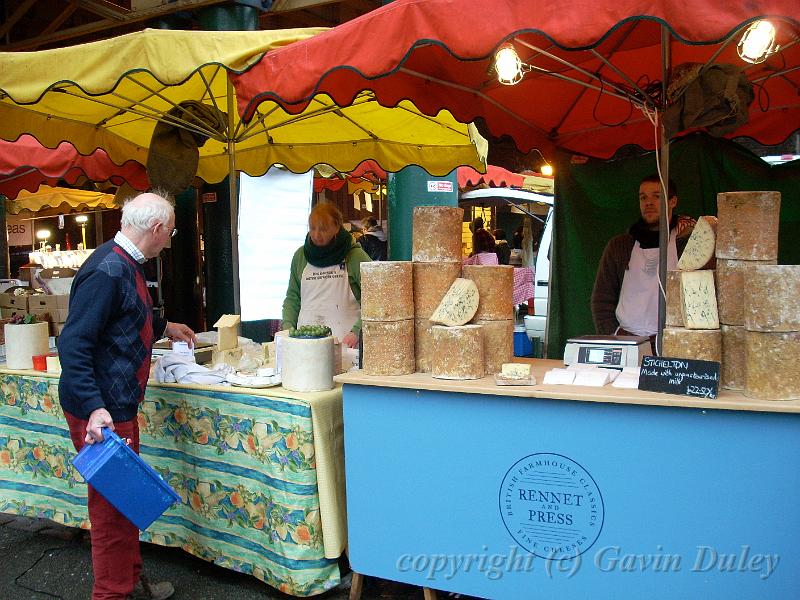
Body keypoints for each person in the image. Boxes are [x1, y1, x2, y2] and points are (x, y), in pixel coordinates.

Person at [58, 191, 196, 600]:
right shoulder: (108, 270)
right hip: (102, 409)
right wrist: (96, 408)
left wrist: (163, 325)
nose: (168, 241)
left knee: (123, 500)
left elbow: (123, 316)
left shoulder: (122, 263)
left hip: (111, 403)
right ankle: (112, 593)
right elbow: (74, 345)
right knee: (111, 512)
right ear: (156, 229)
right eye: (169, 233)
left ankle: (130, 580)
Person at [591, 175, 695, 342]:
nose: (649, 202)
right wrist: (615, 334)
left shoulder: (688, 244)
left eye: (657, 196)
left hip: (672, 343)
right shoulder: (620, 246)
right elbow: (602, 299)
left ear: (673, 201)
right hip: (627, 342)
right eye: (643, 197)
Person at [282, 203, 371, 348]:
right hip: (305, 345)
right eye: (312, 228)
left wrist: (357, 332)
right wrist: (287, 329)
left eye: (323, 229)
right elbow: (292, 298)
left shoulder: (355, 256)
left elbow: (374, 299)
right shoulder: (300, 256)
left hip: (347, 344)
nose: (317, 235)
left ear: (336, 227)